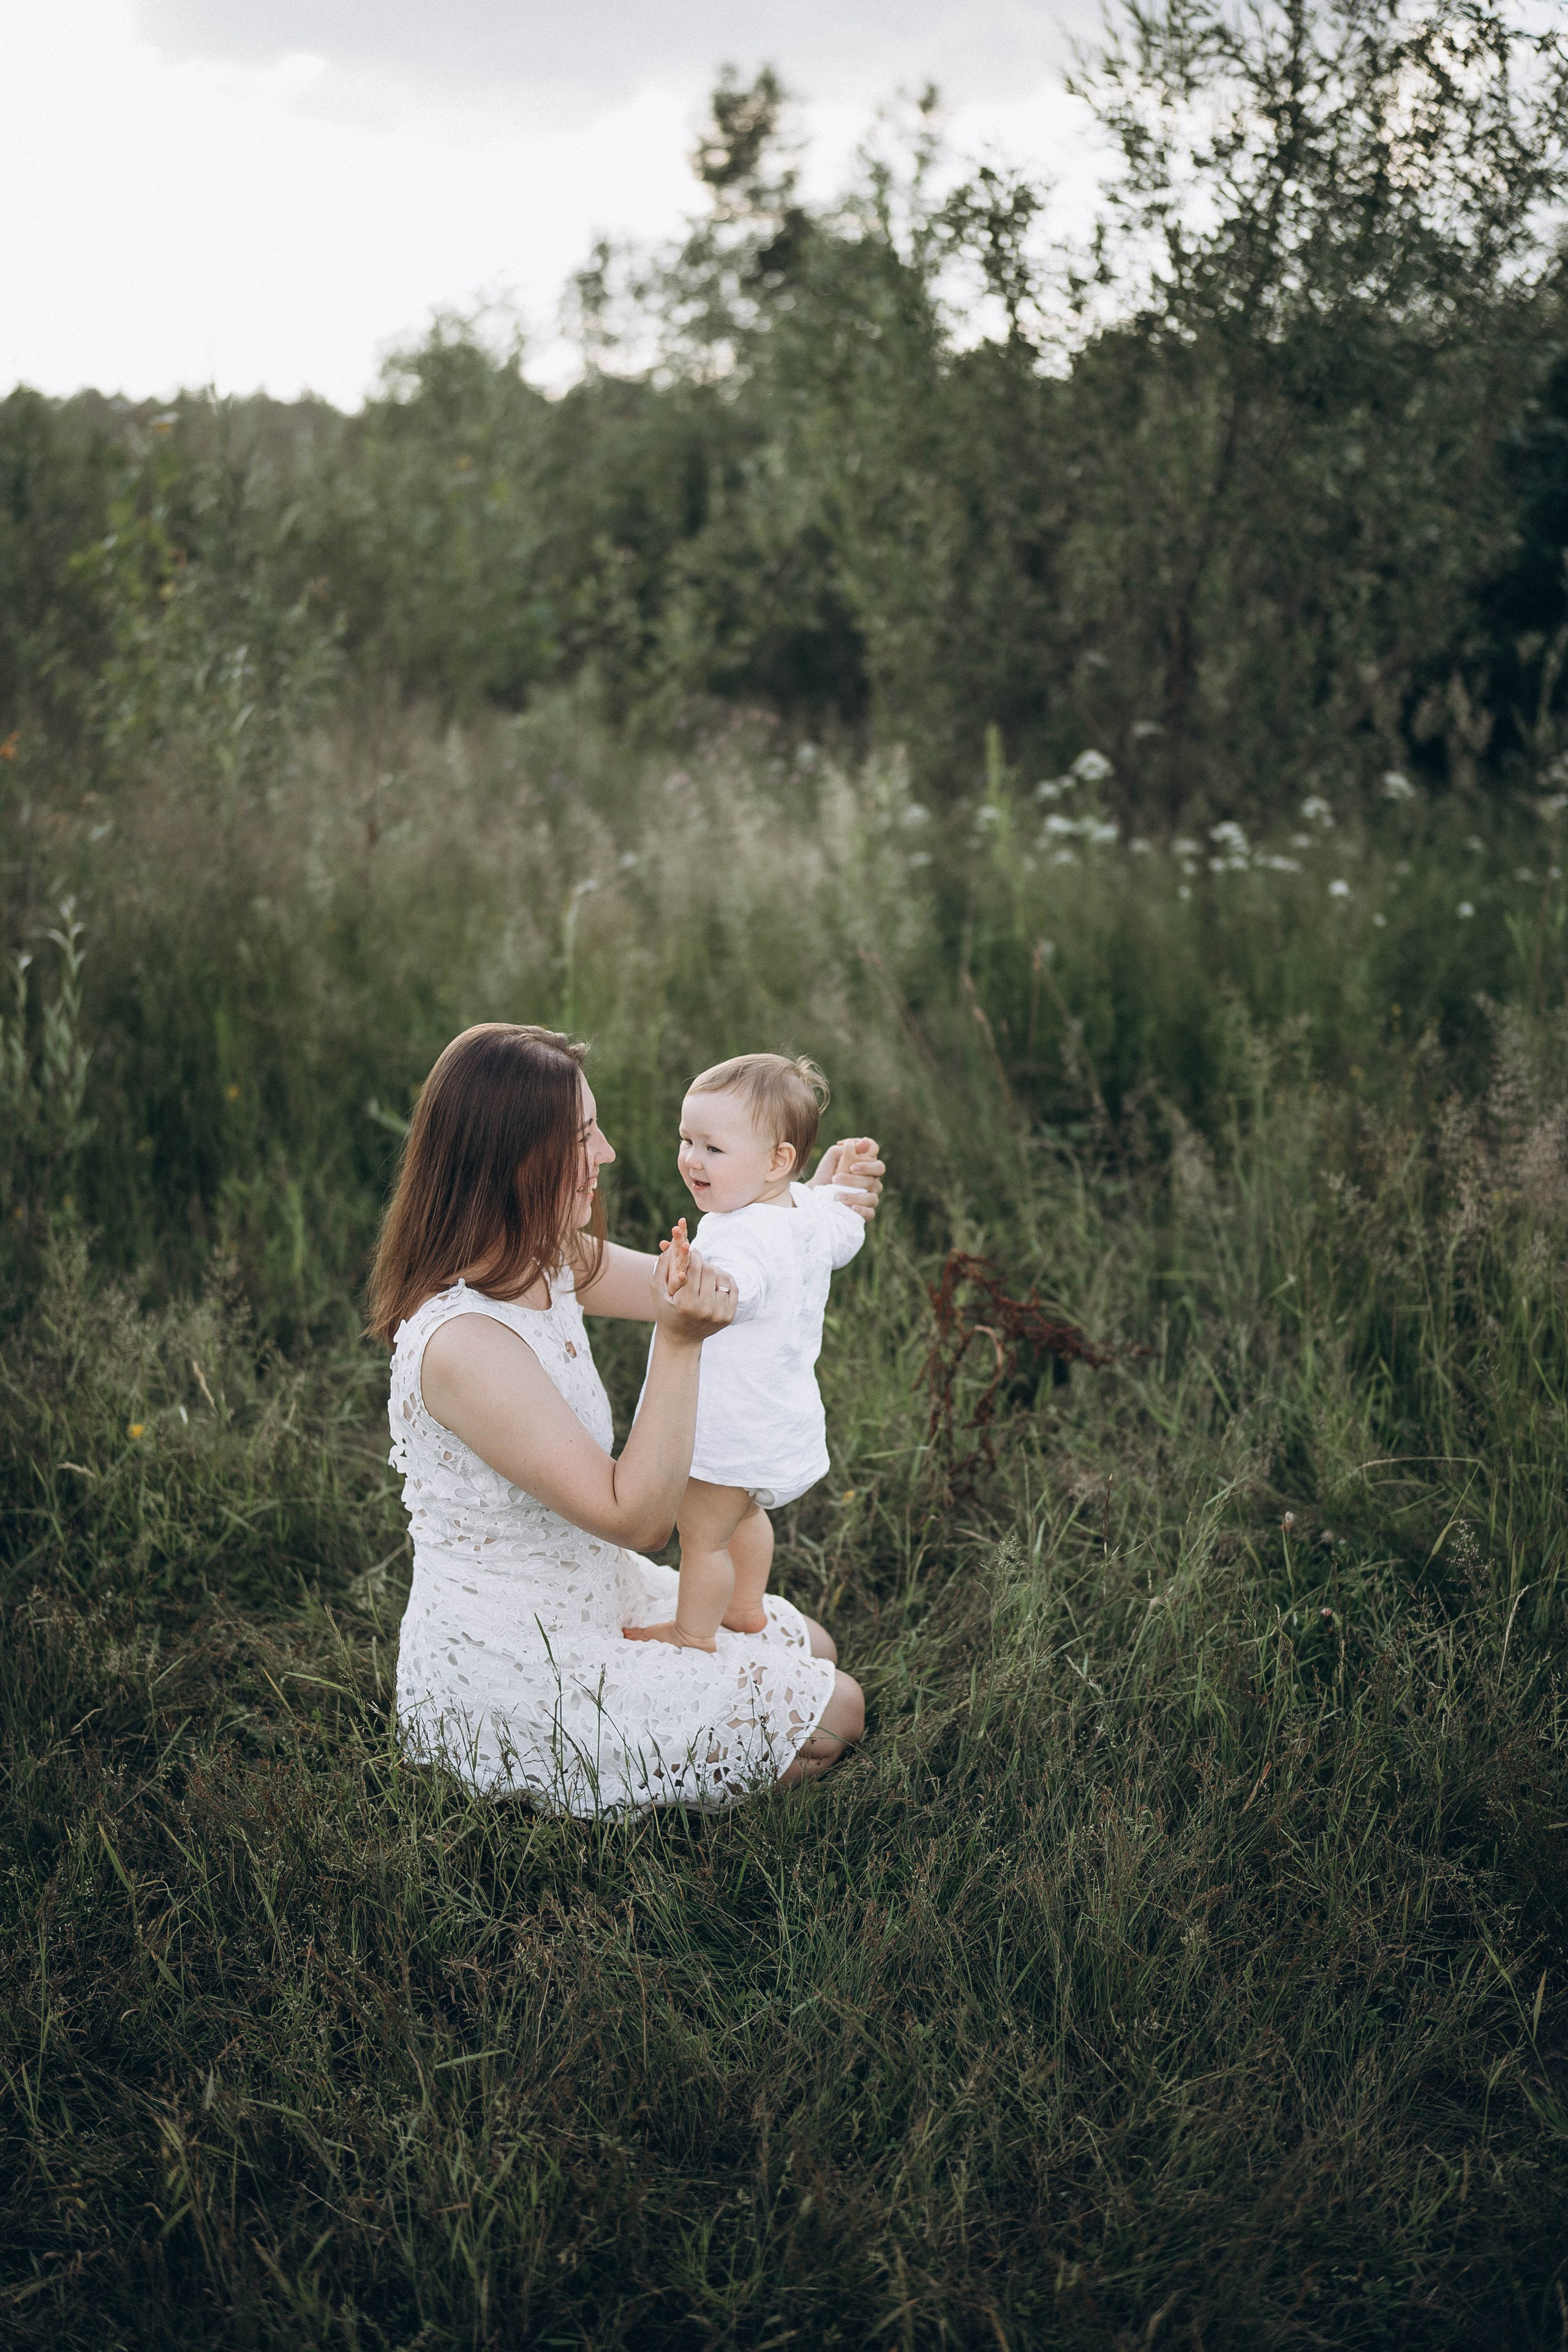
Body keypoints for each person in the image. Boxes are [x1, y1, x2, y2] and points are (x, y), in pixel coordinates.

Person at [368, 1022, 881, 1814]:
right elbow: (639, 1518)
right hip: (519, 1657)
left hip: (595, 1590)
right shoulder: (463, 1344)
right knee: (836, 1710)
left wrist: (813, 1201)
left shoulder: (552, 1255)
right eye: (583, 1136)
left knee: (814, 1648)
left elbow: (722, 1284)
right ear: (515, 1157)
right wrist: (677, 1344)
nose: (607, 1153)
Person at [624, 1054, 873, 1653]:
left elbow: (739, 1286)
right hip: (774, 1418)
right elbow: (845, 1234)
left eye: (712, 1148)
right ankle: (744, 1609)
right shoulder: (803, 1209)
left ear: (776, 1161)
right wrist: (837, 1189)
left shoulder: (739, 1234)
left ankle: (692, 1632)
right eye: (686, 1140)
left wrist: (694, 1276)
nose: (690, 1160)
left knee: (703, 1538)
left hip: (725, 1427)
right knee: (744, 1516)